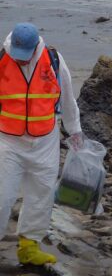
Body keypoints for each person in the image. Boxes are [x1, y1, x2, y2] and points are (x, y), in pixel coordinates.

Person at [0, 22, 82, 266]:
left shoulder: (54, 59)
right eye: (18, 57)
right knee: (2, 196)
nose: (22, 61)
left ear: (36, 47)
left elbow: (67, 98)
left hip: (45, 139)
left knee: (41, 194)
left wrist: (74, 130)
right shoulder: (2, 60)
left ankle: (29, 247)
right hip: (8, 140)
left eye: (25, 57)